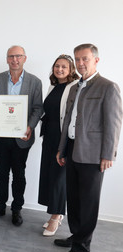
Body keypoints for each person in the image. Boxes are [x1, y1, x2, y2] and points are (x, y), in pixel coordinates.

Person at [55, 44, 122, 252]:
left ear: (96, 60)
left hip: (93, 154)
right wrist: (62, 148)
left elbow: (113, 125)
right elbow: (68, 122)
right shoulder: (75, 87)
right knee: (73, 198)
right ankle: (77, 235)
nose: (80, 63)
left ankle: (82, 249)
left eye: (84, 59)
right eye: (77, 59)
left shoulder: (108, 87)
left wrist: (108, 155)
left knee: (88, 202)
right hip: (72, 149)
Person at [0, 45, 43, 226]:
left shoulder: (35, 82)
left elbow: (37, 108)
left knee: (19, 174)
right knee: (1, 173)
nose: (14, 60)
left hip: (22, 137)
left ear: (25, 58)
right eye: (11, 56)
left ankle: (17, 209)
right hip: (1, 136)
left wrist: (30, 127)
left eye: (18, 56)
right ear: (7, 59)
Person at [38, 55, 79, 236]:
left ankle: (56, 216)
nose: (59, 69)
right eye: (57, 66)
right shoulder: (53, 86)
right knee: (49, 175)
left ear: (71, 70)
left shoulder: (74, 87)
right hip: (49, 136)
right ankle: (55, 213)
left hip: (63, 138)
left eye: (64, 67)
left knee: (58, 178)